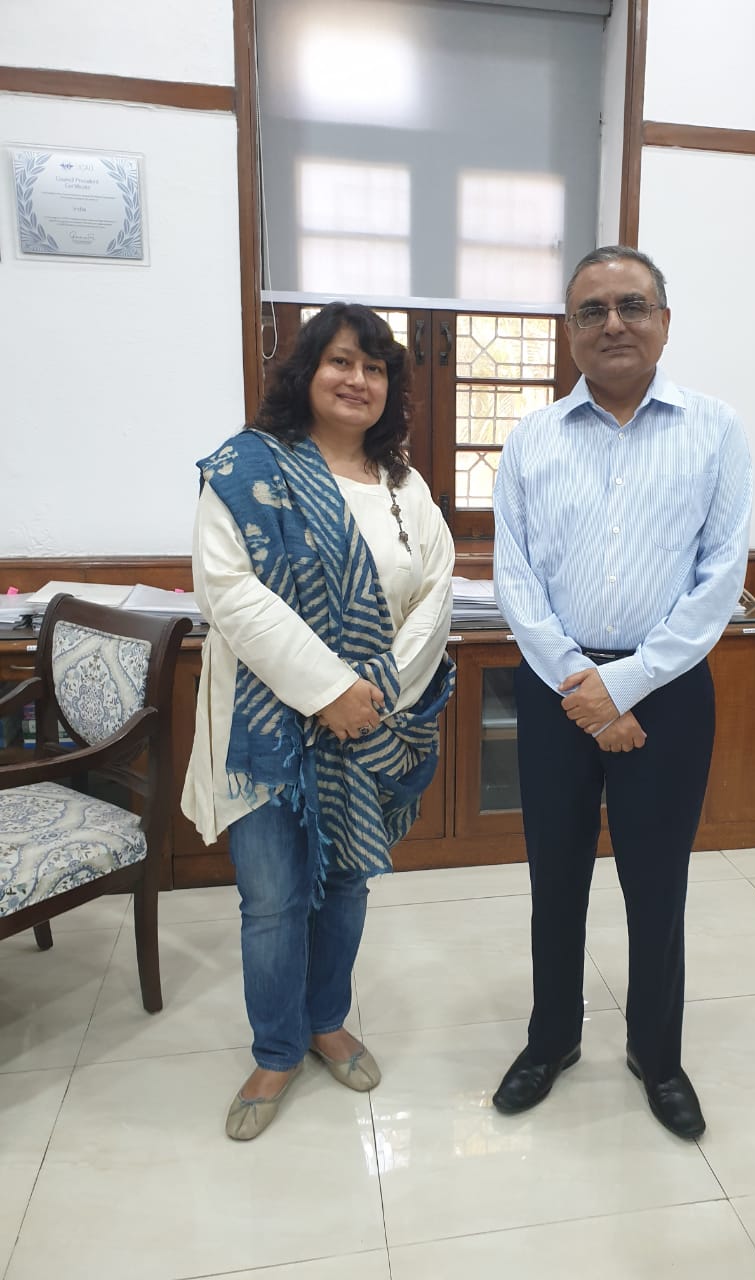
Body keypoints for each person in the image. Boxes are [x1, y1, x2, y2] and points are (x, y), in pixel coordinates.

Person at [491, 245, 752, 1139]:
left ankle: (658, 1054)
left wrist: (626, 684)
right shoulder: (532, 438)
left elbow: (719, 580)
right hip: (554, 689)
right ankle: (551, 1039)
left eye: (632, 306)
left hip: (668, 690)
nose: (613, 324)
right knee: (555, 876)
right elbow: (515, 577)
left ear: (664, 322)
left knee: (657, 881)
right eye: (592, 310)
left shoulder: (715, 429)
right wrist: (583, 684)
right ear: (569, 331)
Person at [182, 303, 455, 1141]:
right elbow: (228, 594)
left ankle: (326, 1019)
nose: (358, 380)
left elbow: (435, 595)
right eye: (341, 361)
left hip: (371, 723)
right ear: (306, 371)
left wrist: (372, 696)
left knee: (344, 881)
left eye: (375, 368)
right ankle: (276, 1049)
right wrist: (328, 690)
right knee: (272, 899)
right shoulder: (248, 469)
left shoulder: (405, 486)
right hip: (268, 729)